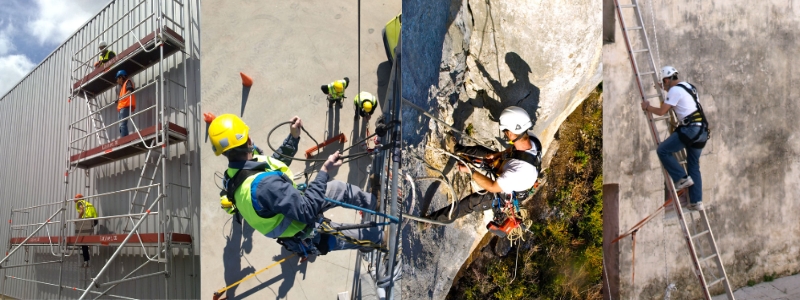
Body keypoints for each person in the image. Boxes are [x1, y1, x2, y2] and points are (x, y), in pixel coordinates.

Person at [209, 114, 383, 258]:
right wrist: (324, 171)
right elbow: (306, 211)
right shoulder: (263, 186)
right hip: (302, 224)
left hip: (291, 205)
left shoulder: (233, 175)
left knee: (338, 189)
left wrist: (293, 137)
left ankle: (372, 202)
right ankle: (379, 239)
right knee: (346, 235)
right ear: (247, 139)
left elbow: (274, 161)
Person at [426, 106, 541, 222]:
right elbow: (516, 151)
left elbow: (492, 187)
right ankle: (457, 149)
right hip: (516, 172)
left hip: (508, 191)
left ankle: (431, 221)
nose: (505, 135)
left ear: (511, 134)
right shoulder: (532, 139)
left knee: (471, 202)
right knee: (487, 153)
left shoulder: (518, 171)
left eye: (505, 132)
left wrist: (470, 170)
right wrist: (498, 155)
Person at [641, 66, 709, 211]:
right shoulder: (689, 86)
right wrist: (664, 88)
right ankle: (696, 201)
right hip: (702, 131)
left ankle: (681, 179)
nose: (664, 88)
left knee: (663, 150)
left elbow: (661, 111)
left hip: (690, 129)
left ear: (666, 80)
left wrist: (647, 107)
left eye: (664, 84)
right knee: (693, 165)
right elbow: (682, 102)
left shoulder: (674, 91)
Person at [74, 193, 98, 268]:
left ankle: (86, 261)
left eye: (76, 197)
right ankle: (86, 260)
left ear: (79, 198)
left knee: (83, 241)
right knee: (85, 240)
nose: (74, 199)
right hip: (94, 220)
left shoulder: (79, 203)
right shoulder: (87, 203)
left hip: (87, 221)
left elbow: (82, 211)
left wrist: (78, 220)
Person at [115, 70, 136, 138]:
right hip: (121, 107)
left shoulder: (128, 82)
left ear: (121, 77)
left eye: (117, 79)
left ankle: (124, 139)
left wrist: (120, 98)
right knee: (121, 125)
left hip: (125, 106)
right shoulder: (122, 87)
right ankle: (124, 138)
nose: (117, 81)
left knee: (122, 124)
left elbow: (130, 90)